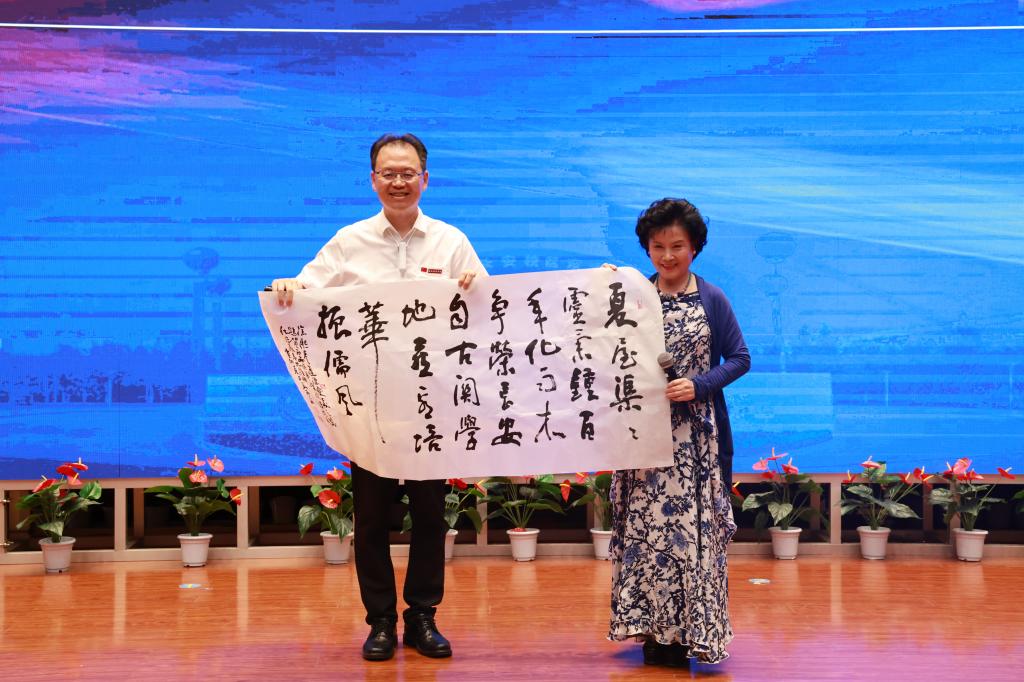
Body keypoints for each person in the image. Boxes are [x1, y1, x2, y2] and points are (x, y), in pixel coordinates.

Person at [272, 133, 486, 662]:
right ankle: (381, 622)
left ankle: (423, 617)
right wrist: (288, 288)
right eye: (388, 173)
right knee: (370, 519)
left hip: (431, 405)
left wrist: (474, 285)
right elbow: (305, 289)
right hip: (370, 408)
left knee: (430, 516)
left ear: (425, 179)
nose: (398, 182)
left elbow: (489, 307)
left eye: (407, 173)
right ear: (373, 180)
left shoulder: (450, 241)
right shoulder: (349, 241)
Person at [605, 198, 750, 666]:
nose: (667, 256)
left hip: (696, 443)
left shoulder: (712, 298)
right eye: (658, 247)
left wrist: (699, 384)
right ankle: (654, 632)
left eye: (677, 246)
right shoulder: (631, 295)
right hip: (643, 438)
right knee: (648, 535)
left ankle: (692, 631)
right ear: (647, 248)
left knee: (691, 536)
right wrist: (599, 290)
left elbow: (740, 358)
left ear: (695, 248)